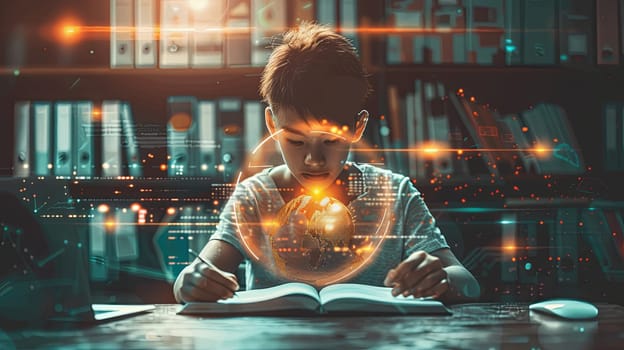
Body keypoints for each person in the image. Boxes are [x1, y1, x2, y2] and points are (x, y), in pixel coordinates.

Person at [173, 22, 480, 304]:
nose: (313, 160)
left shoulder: (396, 194)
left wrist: (442, 279)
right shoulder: (253, 198)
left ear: (357, 128)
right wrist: (189, 281)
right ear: (272, 125)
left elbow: (468, 283)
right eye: (295, 141)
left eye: (330, 142)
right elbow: (196, 274)